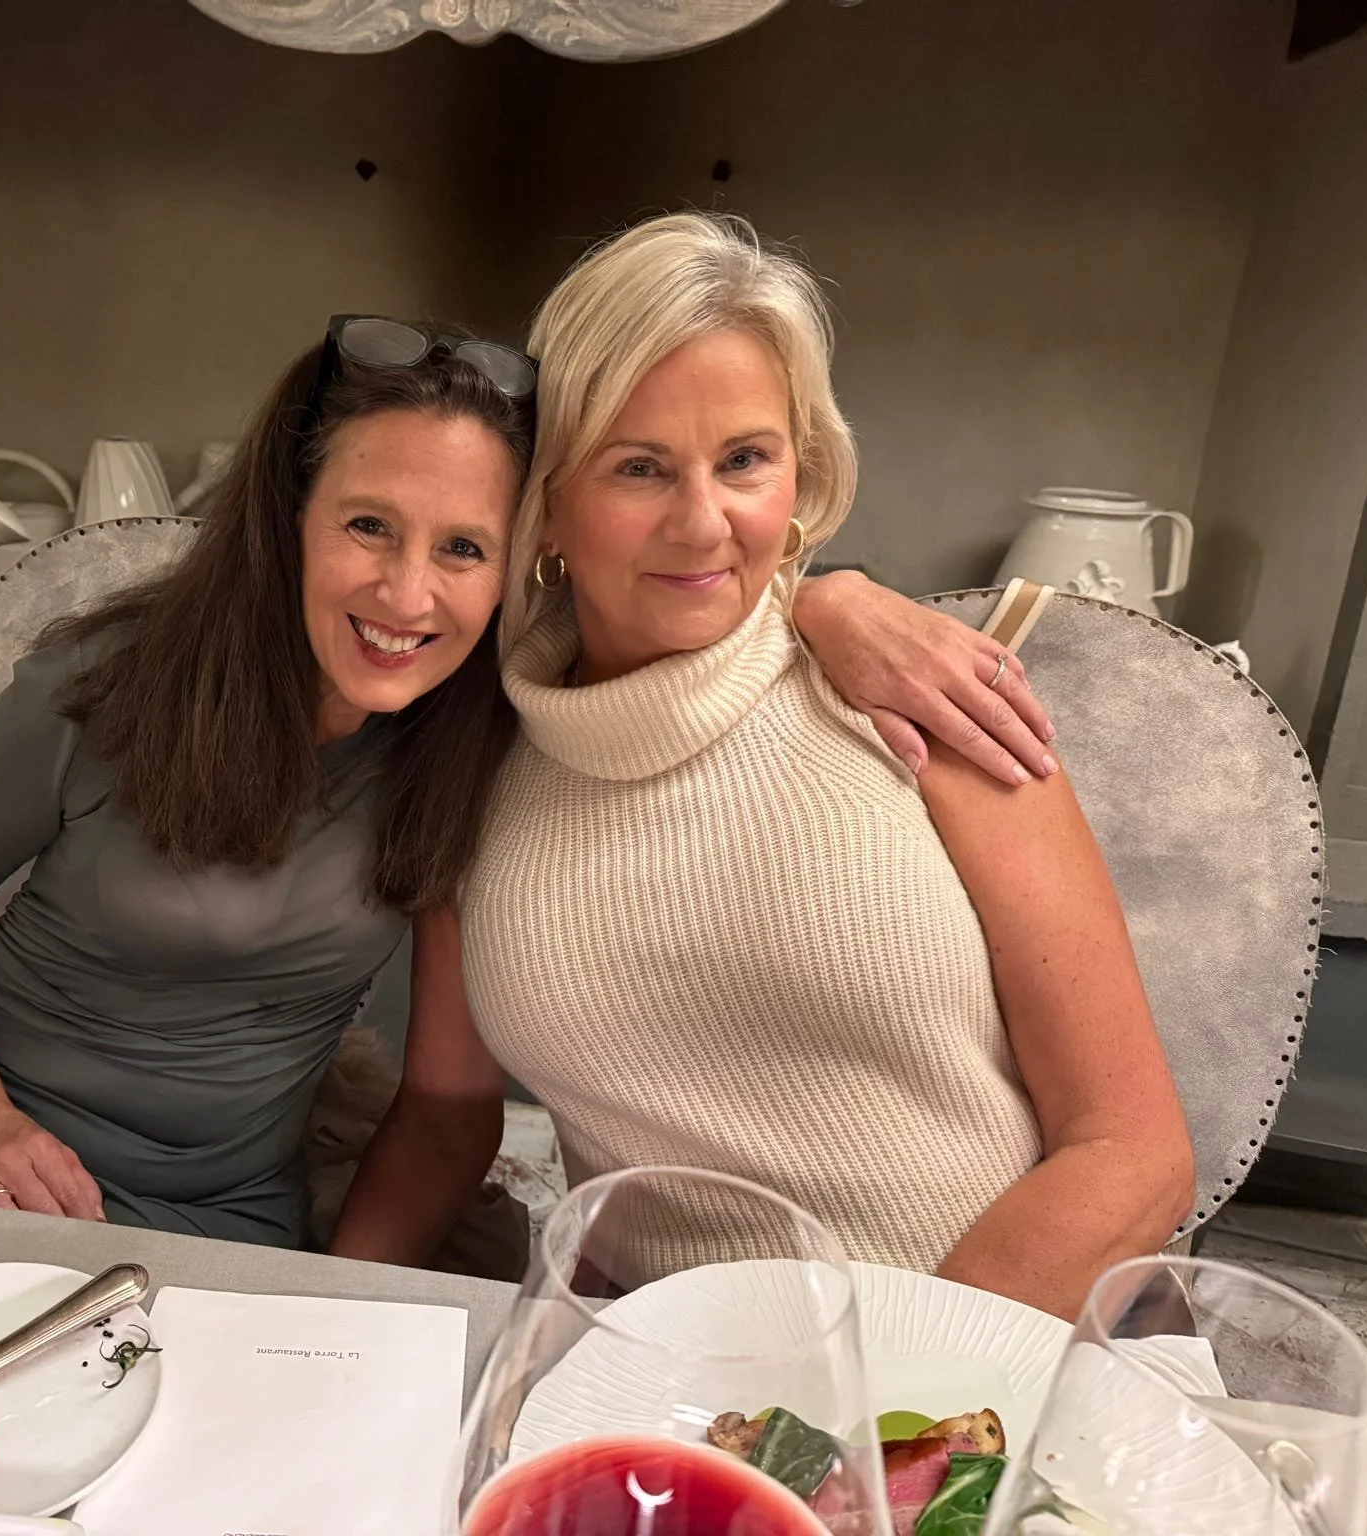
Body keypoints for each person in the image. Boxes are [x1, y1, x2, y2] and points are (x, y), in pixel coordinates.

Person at [0, 311, 1062, 1254]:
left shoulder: (485, 745)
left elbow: (687, 583)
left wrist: (830, 596)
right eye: (366, 528)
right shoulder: (107, 689)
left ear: (521, 562)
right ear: (288, 518)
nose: (407, 598)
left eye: (463, 548)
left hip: (218, 1205)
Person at [446, 214, 1194, 1318]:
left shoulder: (922, 703)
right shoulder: (472, 741)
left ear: (798, 472)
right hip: (665, 1360)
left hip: (1003, 1340)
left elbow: (1132, 1151)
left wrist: (883, 1409)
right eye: (638, 467)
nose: (704, 523)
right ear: (549, 503)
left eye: (743, 460)